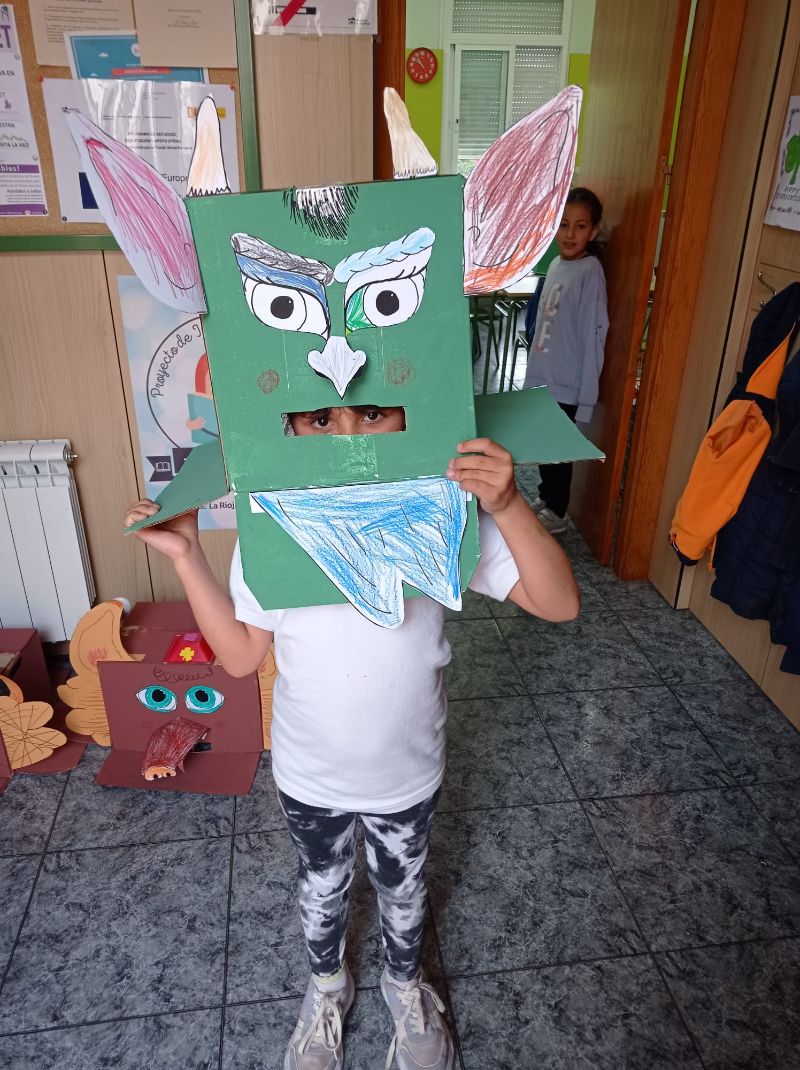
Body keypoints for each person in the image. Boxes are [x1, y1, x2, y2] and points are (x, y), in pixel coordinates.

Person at [124, 404, 580, 1070]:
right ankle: (327, 988)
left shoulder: (441, 513)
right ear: (289, 429)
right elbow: (242, 657)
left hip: (406, 770)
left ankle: (404, 986)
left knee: (404, 888)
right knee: (322, 886)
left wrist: (507, 505)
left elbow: (559, 601)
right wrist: (188, 556)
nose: (346, 437)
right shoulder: (273, 530)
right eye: (319, 420)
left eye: (371, 414)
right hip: (312, 773)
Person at [523, 187, 609, 535]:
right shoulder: (556, 265)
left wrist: (587, 397)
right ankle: (547, 497)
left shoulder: (591, 272)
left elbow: (593, 333)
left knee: (557, 449)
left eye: (580, 226)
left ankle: (557, 512)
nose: (570, 234)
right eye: (564, 225)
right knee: (544, 442)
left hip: (566, 382)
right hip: (543, 376)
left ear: (594, 231)